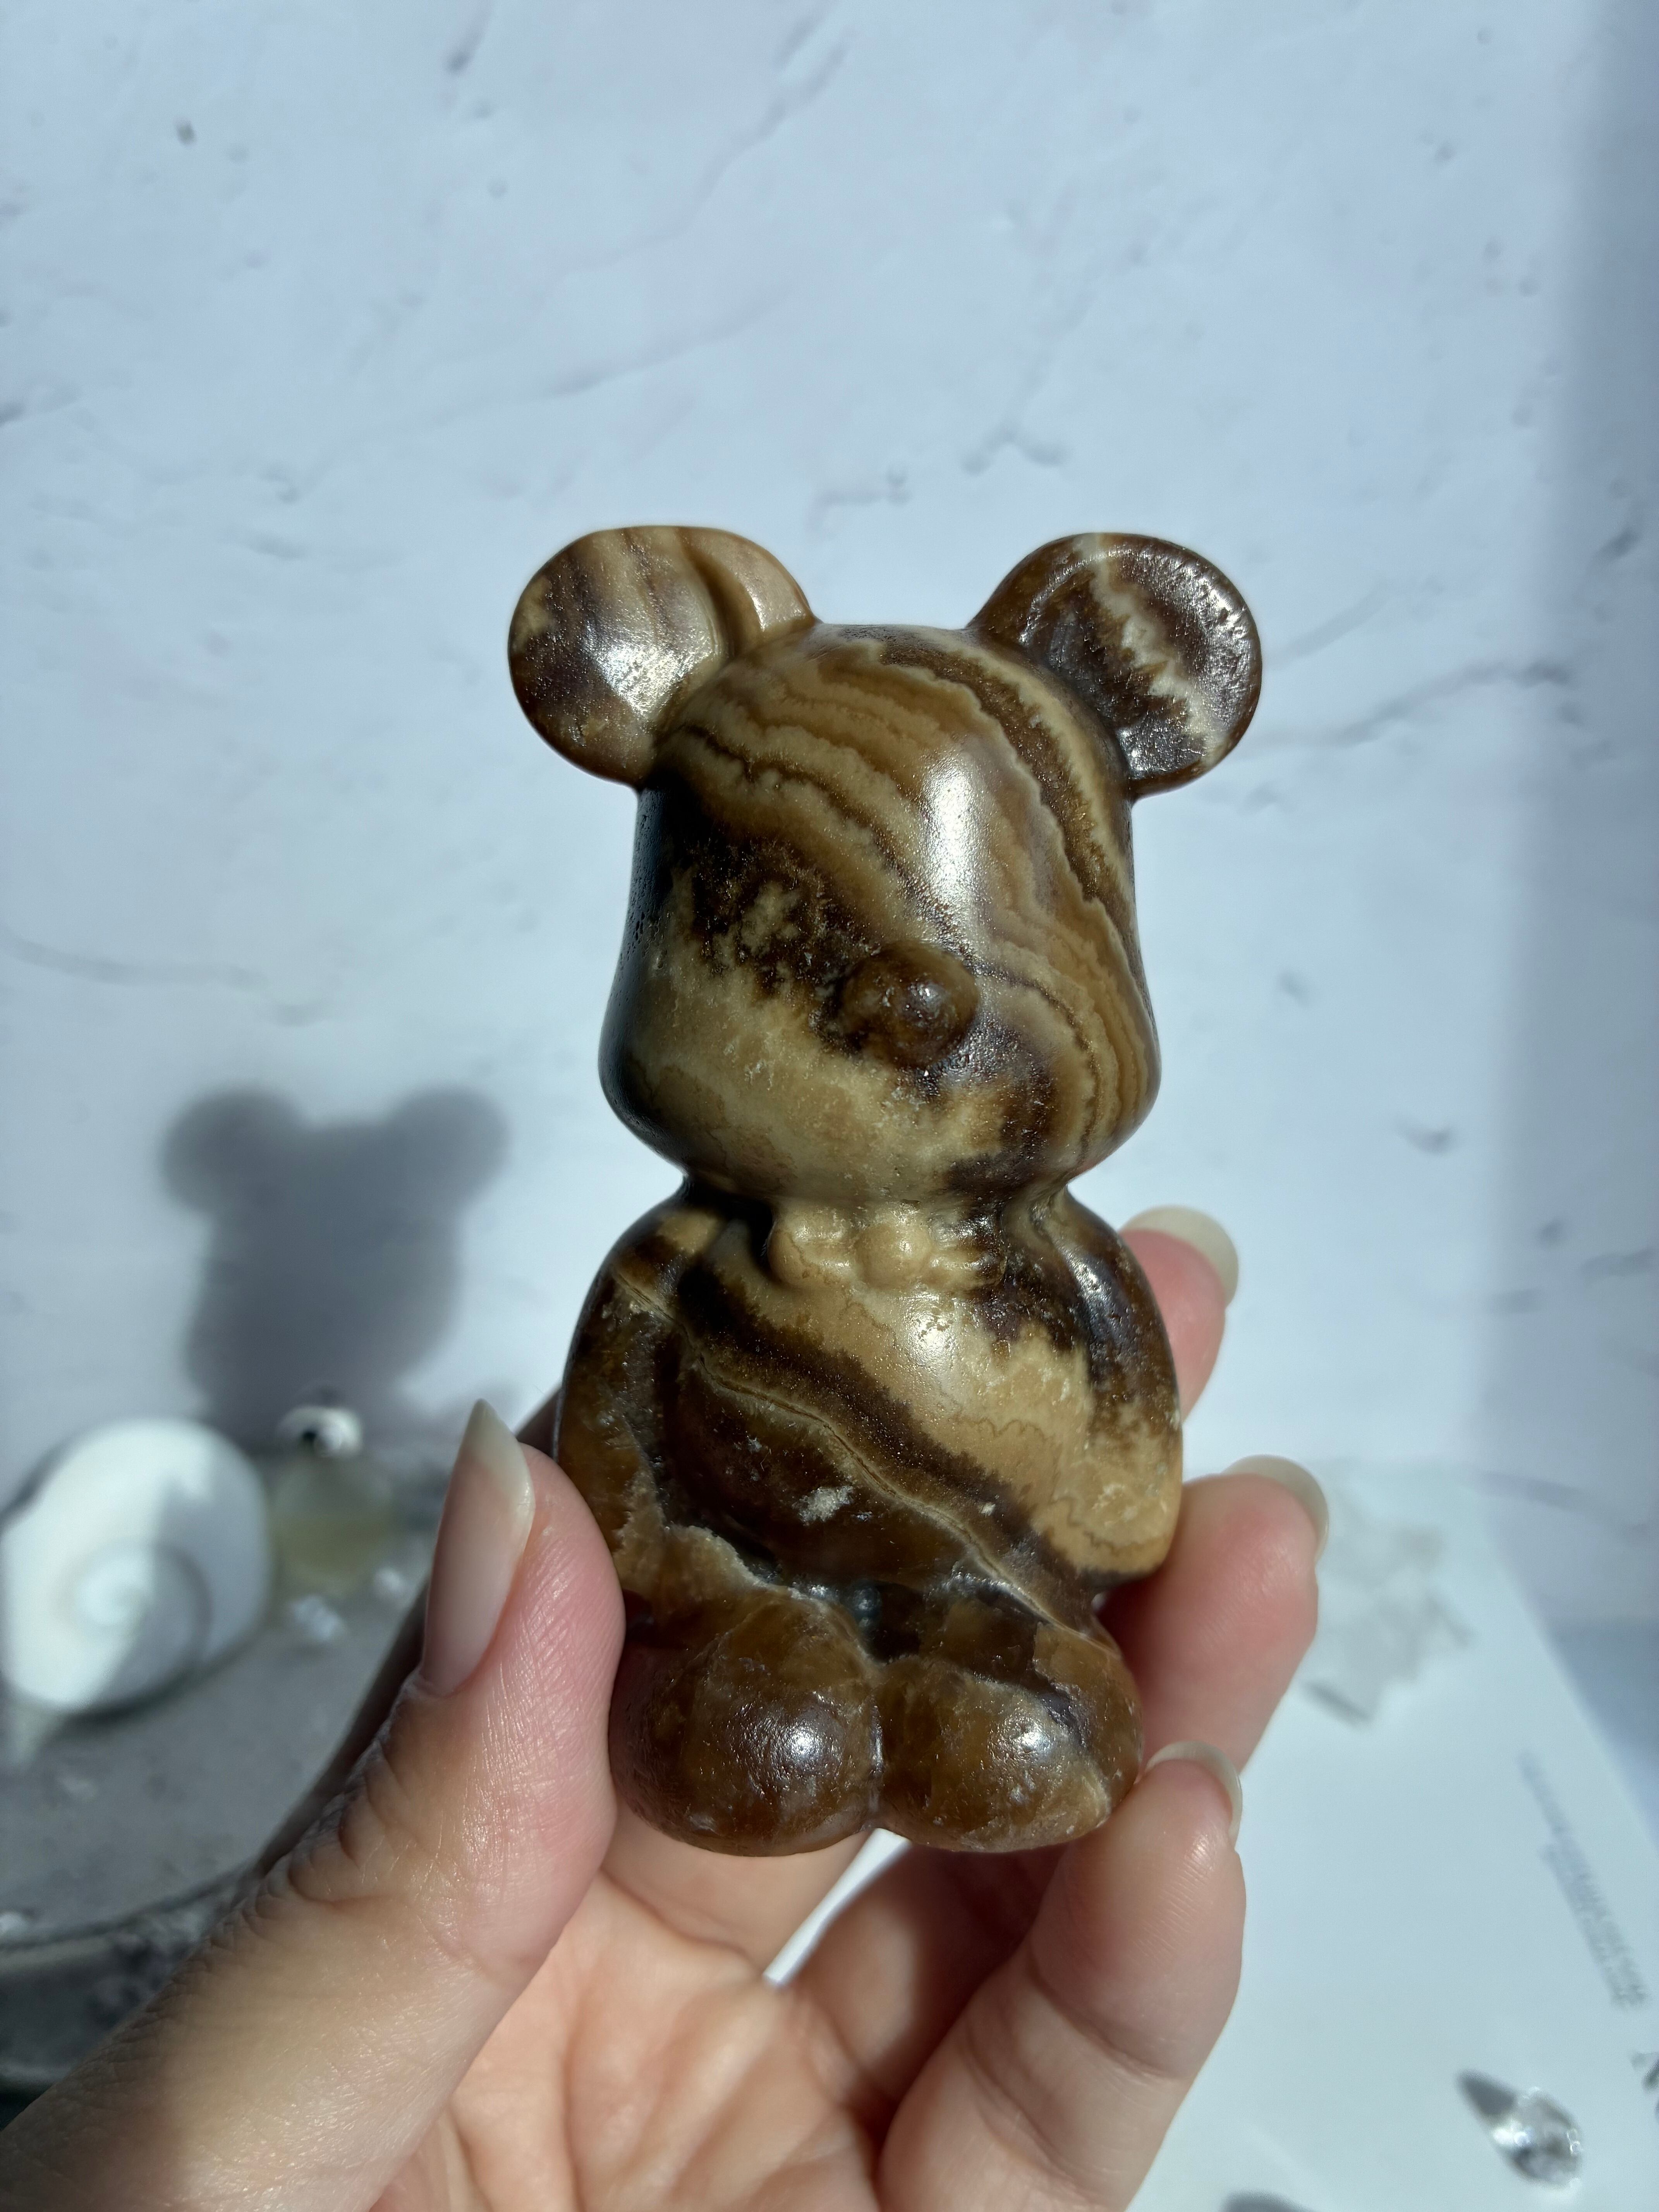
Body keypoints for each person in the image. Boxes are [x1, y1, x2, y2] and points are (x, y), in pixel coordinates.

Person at [0, 1212, 1322, 2211]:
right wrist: (695, 1587)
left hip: (989, 1593)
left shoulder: (1051, 1255)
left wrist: (1060, 1557)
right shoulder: (682, 1259)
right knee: (742, 1745)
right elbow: (615, 1474)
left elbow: (1129, 1500)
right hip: (747, 1610)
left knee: (1036, 1739)